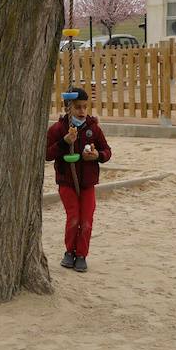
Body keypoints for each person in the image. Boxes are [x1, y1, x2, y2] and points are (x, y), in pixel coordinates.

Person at [44, 88, 111, 273]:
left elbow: (107, 151)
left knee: (87, 220)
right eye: (77, 107)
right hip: (67, 182)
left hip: (88, 183)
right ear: (68, 108)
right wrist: (64, 142)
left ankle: (81, 255)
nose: (82, 111)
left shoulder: (93, 128)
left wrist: (98, 156)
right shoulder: (58, 129)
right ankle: (69, 252)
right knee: (73, 218)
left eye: (84, 107)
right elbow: (47, 154)